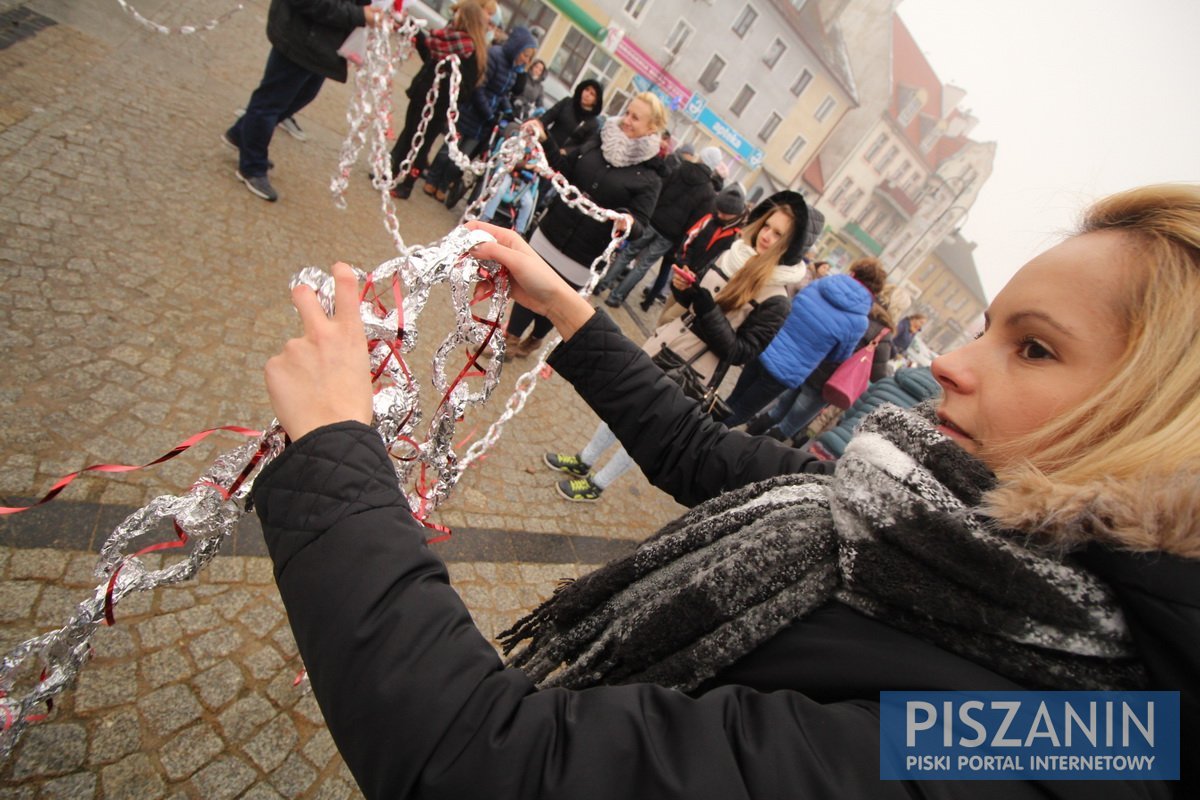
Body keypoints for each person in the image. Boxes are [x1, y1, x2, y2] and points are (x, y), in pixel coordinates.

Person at [257, 183, 1198, 798]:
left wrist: (339, 449)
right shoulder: (904, 513)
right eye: (988, 326)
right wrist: (567, 310)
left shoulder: (1058, 745)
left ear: (1166, 423)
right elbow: (696, 448)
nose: (950, 362)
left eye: (1033, 347)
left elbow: (493, 763)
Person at [544, 192, 809, 501]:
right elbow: (695, 301)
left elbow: (741, 352)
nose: (767, 236)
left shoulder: (777, 299)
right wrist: (684, 289)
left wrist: (706, 307)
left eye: (778, 234)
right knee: (622, 401)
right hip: (667, 341)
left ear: (789, 245)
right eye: (767, 226)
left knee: (648, 426)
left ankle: (598, 484)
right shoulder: (733, 254)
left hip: (694, 370)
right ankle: (585, 459)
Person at [502, 92, 668, 359]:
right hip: (552, 231)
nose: (626, 120)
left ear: (652, 128)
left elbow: (640, 225)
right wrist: (545, 139)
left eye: (635, 118)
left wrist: (625, 218)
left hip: (584, 253)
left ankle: (535, 338)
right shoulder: (601, 138)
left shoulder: (650, 177)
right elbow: (564, 168)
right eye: (627, 113)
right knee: (528, 284)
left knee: (554, 302)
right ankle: (509, 340)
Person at [224, 0, 384, 202]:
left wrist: (376, 13)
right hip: (300, 36)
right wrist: (360, 15)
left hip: (320, 43)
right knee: (270, 102)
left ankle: (241, 133)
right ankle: (251, 167)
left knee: (299, 97)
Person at [720, 255, 886, 427]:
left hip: (766, 347)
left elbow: (792, 306)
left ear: (852, 273)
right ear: (875, 292)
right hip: (788, 371)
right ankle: (704, 436)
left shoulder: (820, 285)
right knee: (743, 411)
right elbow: (838, 356)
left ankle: (701, 423)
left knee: (733, 398)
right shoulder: (859, 321)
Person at [745, 294, 895, 444]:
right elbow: (878, 375)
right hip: (828, 384)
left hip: (811, 367)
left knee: (777, 411)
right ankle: (753, 451)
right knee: (789, 426)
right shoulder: (882, 335)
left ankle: (745, 437)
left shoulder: (854, 313)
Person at [385, 1, 489, 200]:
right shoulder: (446, 38)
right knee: (408, 137)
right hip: (421, 94)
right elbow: (429, 56)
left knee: (421, 146)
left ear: (466, 19)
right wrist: (416, 33)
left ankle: (407, 184)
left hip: (437, 107)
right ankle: (392, 173)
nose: (454, 17)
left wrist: (449, 75)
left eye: (458, 14)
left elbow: (466, 89)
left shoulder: (469, 50)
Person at [596, 145, 722, 308]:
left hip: (653, 219)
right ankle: (615, 297)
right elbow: (694, 223)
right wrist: (678, 242)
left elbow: (660, 189)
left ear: (701, 156)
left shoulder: (680, 168)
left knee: (628, 253)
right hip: (670, 234)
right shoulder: (708, 192)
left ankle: (601, 284)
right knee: (643, 266)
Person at [422, 25, 538, 202]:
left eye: (529, 58)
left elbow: (502, 93)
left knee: (464, 156)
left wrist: (507, 110)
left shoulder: (514, 71)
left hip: (485, 121)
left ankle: (444, 184)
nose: (525, 60)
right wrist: (488, 113)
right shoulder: (495, 55)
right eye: (525, 55)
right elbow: (480, 87)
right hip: (471, 111)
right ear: (517, 48)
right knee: (450, 149)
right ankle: (432, 179)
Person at [640, 182, 747, 312]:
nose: (720, 215)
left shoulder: (738, 236)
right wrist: (684, 264)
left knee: (672, 319)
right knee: (666, 314)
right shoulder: (709, 219)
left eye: (725, 213)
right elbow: (688, 241)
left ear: (736, 213)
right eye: (719, 210)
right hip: (685, 275)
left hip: (703, 287)